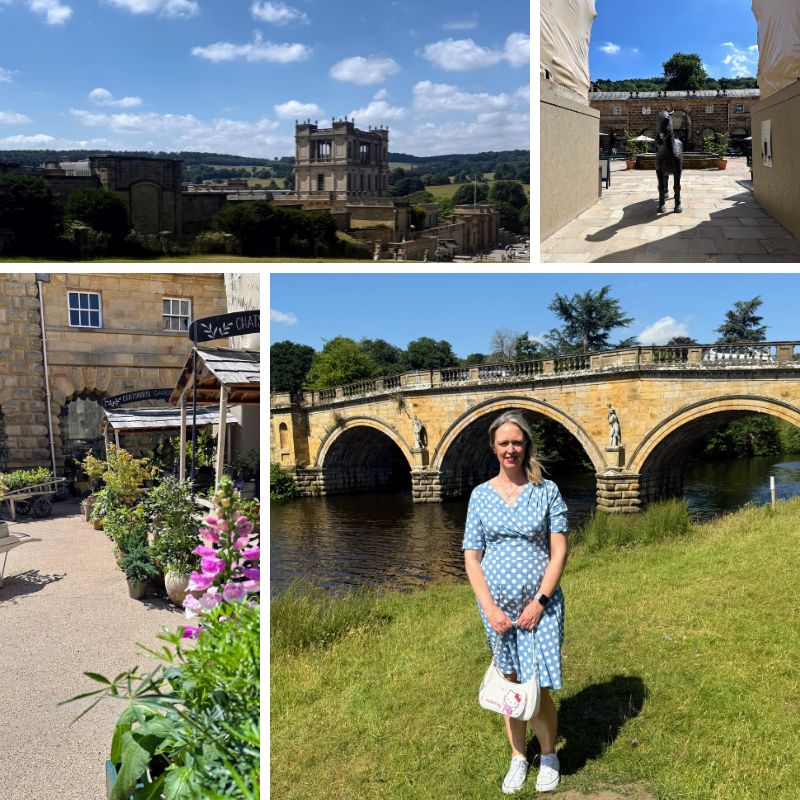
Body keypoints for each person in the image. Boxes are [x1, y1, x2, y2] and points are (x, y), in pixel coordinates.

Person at [463, 410, 569, 794]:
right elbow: (472, 557)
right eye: (503, 443)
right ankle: (518, 757)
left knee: (536, 685)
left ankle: (549, 755)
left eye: (517, 442)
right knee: (510, 684)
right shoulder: (480, 495)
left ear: (527, 447)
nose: (511, 449)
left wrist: (539, 601)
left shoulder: (546, 491)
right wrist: (490, 608)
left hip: (540, 609)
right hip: (496, 611)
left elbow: (558, 552)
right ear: (494, 447)